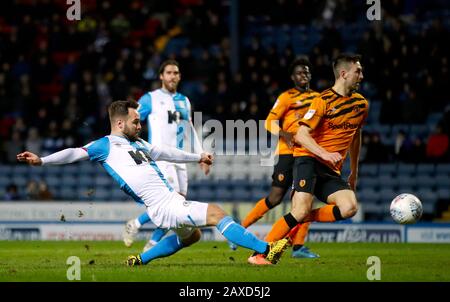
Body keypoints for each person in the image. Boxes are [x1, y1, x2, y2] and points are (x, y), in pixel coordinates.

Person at [17, 100, 289, 266]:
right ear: (120, 123)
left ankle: (140, 260)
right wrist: (42, 160)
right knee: (217, 213)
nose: (140, 125)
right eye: (136, 121)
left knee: (192, 236)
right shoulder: (105, 145)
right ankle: (266, 250)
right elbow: (75, 152)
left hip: (167, 203)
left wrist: (199, 157)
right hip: (163, 204)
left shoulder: (140, 143)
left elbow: (167, 151)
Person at [248, 53, 368, 264]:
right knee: (288, 203)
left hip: (332, 168)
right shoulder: (322, 100)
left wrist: (354, 173)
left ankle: (301, 217)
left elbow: (356, 136)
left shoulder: (361, 105)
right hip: (308, 159)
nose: (361, 75)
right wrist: (324, 153)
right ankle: (259, 253)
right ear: (343, 73)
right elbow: (301, 135)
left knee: (349, 208)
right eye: (357, 71)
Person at [123, 59, 208, 252]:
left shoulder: (184, 101)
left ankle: (148, 241)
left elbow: (190, 129)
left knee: (176, 207)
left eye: (176, 73)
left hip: (180, 159)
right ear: (161, 76)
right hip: (161, 158)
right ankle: (136, 226)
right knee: (172, 203)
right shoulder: (150, 98)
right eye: (169, 72)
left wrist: (201, 154)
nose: (173, 76)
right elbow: (133, 120)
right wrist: (129, 143)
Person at [240, 57, 320, 258]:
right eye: (300, 73)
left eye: (307, 72)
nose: (304, 75)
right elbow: (269, 122)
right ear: (293, 77)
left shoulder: (320, 98)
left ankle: (298, 247)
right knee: (275, 198)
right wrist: (286, 134)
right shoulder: (286, 97)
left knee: (305, 202)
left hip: (308, 154)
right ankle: (241, 229)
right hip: (287, 153)